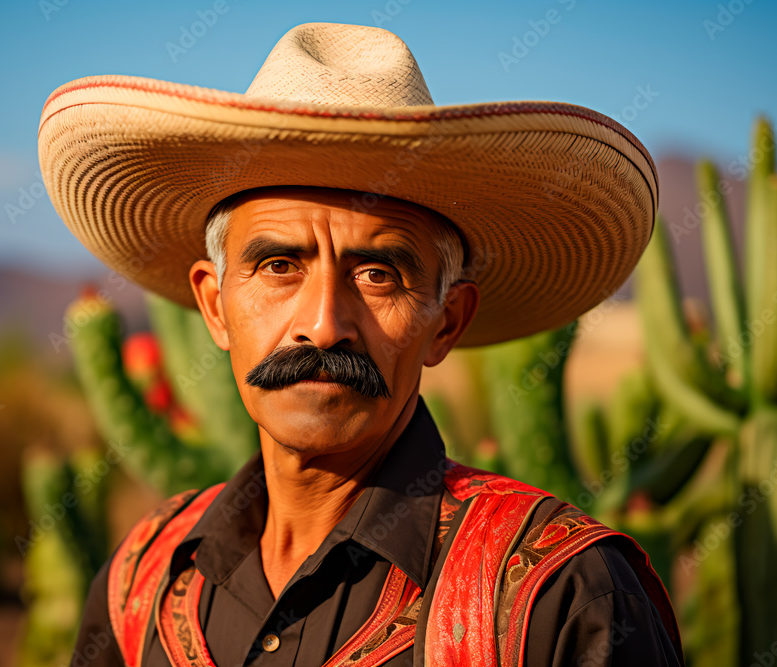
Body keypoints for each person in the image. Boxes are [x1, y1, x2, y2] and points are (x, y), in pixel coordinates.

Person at [38, 22, 682, 667]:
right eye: (279, 265)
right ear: (215, 304)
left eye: (378, 274)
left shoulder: (565, 598)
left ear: (447, 321)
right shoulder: (141, 583)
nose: (323, 325)